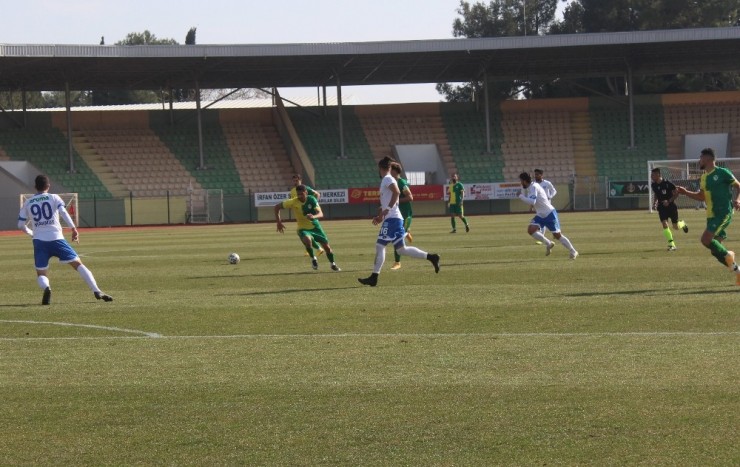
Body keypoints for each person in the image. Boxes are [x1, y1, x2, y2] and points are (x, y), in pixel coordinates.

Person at [17, 175, 113, 305]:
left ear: (35, 187)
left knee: (41, 273)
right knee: (78, 264)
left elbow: (20, 225)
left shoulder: (28, 202)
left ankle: (47, 288)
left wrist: (31, 233)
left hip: (39, 241)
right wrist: (73, 229)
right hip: (57, 239)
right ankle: (96, 290)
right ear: (48, 186)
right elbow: (63, 212)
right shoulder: (54, 197)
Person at [358, 157, 440, 287]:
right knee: (401, 250)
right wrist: (381, 216)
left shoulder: (387, 179)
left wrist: (387, 210)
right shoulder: (389, 179)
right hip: (393, 219)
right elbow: (392, 199)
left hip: (392, 219)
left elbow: (396, 193)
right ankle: (431, 257)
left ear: (381, 168)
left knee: (380, 246)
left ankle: (374, 277)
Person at [675, 148, 740, 285]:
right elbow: (701, 197)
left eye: (701, 158)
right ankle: (736, 269)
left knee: (705, 239)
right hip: (711, 215)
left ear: (708, 158)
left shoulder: (722, 172)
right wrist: (685, 192)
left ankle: (730, 257)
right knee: (714, 250)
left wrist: (738, 200)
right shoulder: (704, 177)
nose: (699, 160)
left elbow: (738, 186)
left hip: (723, 213)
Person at [275, 184, 340, 271]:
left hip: (315, 226)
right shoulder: (294, 201)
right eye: (298, 194)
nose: (299, 196)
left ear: (306, 192)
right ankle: (313, 258)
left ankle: (333, 264)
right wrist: (279, 222)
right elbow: (276, 207)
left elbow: (321, 214)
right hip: (302, 228)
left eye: (301, 194)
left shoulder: (311, 199)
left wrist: (314, 217)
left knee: (327, 247)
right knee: (307, 240)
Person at [518, 171, 579, 260]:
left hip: (549, 213)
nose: (520, 183)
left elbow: (532, 201)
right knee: (531, 230)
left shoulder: (534, 187)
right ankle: (549, 243)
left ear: (524, 181)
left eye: (521, 181)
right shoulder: (532, 186)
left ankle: (573, 251)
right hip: (540, 214)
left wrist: (520, 196)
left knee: (558, 235)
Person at [650, 168, 688, 251]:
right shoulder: (653, 185)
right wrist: (655, 203)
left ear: (658, 175)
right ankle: (672, 244)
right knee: (664, 224)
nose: (651, 176)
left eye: (653, 175)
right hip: (661, 207)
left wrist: (669, 201)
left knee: (676, 227)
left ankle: (683, 224)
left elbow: (676, 193)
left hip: (671, 207)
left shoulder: (668, 183)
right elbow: (657, 194)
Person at [290, 174, 323, 256]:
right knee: (303, 233)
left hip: (307, 214)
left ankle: (317, 249)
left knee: (303, 232)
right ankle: (312, 249)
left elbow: (317, 194)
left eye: (296, 180)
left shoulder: (306, 188)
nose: (295, 182)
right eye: (294, 180)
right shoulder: (292, 191)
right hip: (300, 215)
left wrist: (315, 204)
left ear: (300, 180)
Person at [390, 163, 414, 270]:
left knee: (397, 238)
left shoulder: (402, 182)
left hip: (405, 214)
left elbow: (410, 197)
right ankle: (407, 233)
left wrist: (397, 200)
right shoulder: (392, 183)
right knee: (397, 237)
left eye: (390, 170)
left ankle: (397, 262)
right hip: (396, 214)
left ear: (395, 171)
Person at [530, 168, 557, 241]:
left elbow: (554, 191)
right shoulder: (533, 184)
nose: (536, 176)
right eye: (535, 174)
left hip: (547, 205)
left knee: (546, 220)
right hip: (538, 206)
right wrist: (532, 205)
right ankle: (544, 237)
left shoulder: (547, 183)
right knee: (543, 221)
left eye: (537, 174)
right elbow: (533, 196)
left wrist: (550, 196)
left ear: (541, 175)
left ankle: (555, 233)